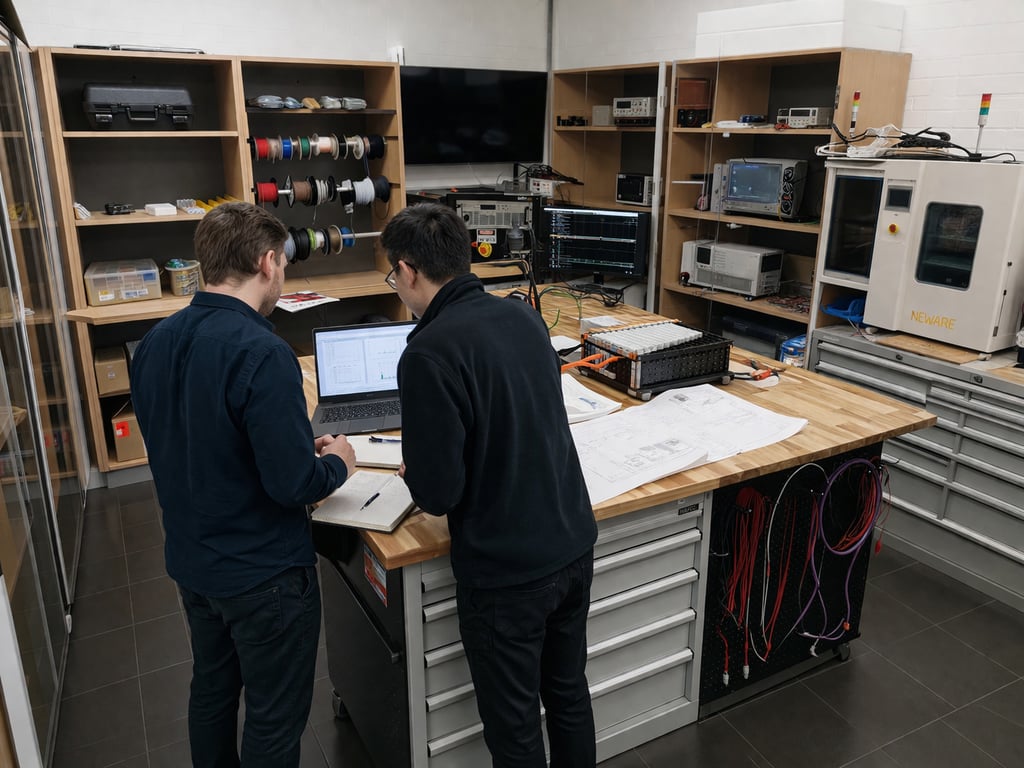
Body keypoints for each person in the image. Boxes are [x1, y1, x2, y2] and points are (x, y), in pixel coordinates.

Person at [130, 202, 356, 767]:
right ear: (266, 263)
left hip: (194, 564)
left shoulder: (155, 341)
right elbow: (293, 484)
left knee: (211, 692)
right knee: (273, 720)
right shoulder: (264, 352)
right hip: (263, 578)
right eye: (283, 265)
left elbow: (195, 437)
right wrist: (339, 463)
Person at [381, 202, 598, 767]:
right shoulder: (524, 317)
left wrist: (420, 467)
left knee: (515, 728)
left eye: (393, 278)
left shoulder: (427, 352)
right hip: (572, 542)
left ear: (406, 271)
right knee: (568, 695)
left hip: (509, 573)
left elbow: (438, 494)